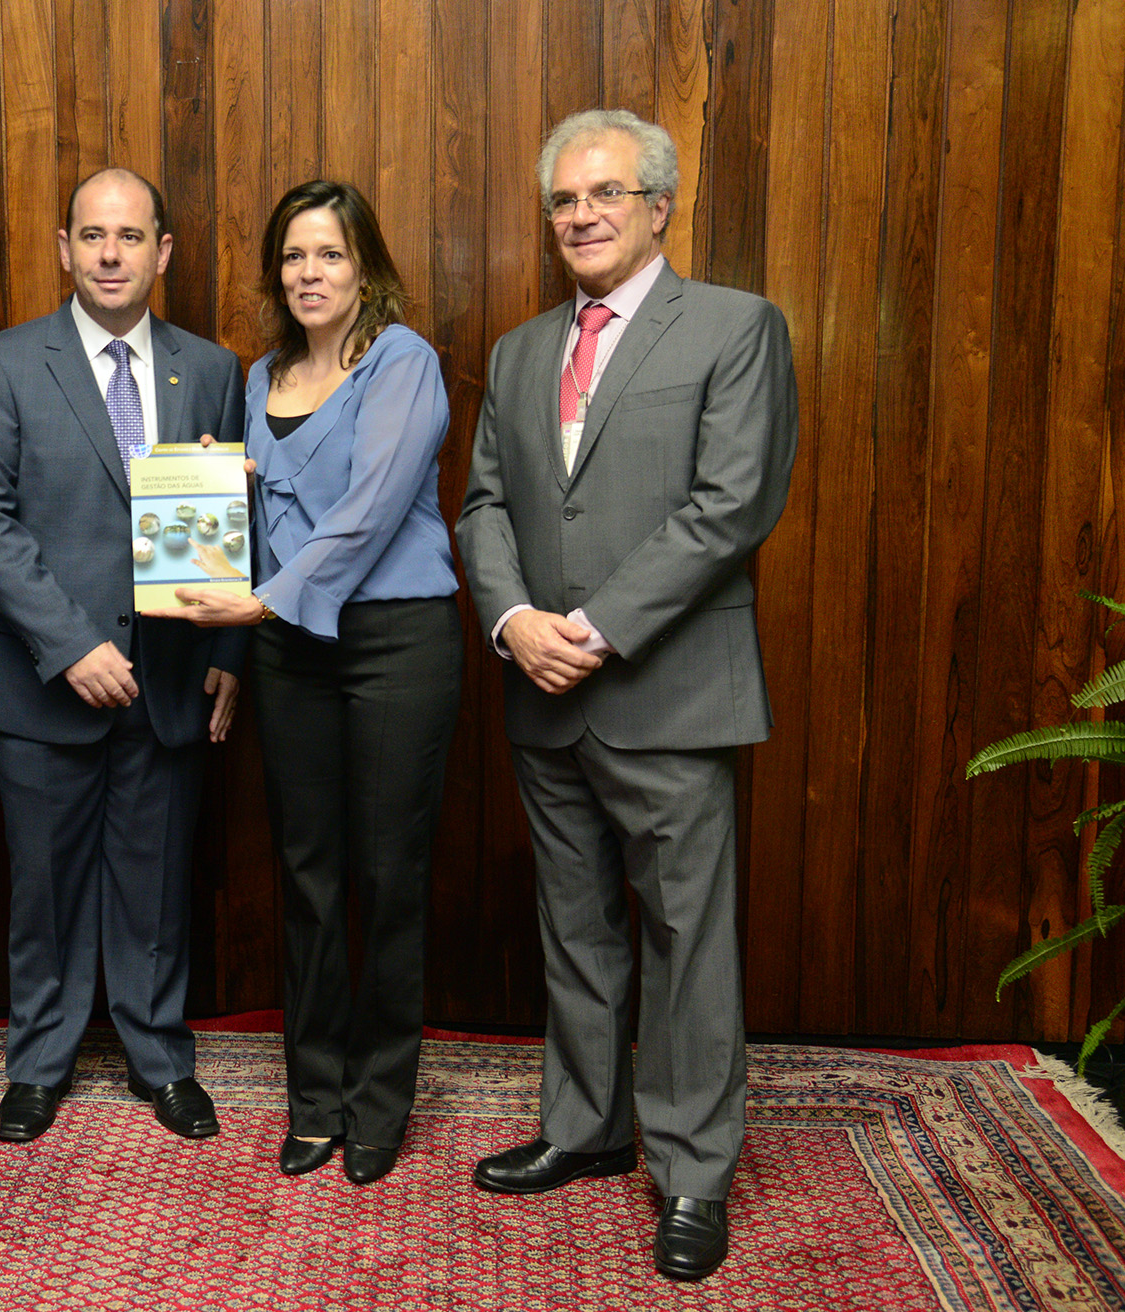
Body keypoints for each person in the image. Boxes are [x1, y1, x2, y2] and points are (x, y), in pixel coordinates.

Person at [456, 108, 797, 1281]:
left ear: (659, 206)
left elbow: (730, 503)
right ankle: (584, 1126)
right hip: (540, 690)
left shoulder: (735, 327)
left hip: (667, 689)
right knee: (576, 924)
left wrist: (588, 632)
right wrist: (511, 623)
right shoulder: (515, 351)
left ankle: (693, 1170)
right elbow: (484, 505)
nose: (580, 216)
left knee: (685, 938)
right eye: (562, 200)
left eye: (603, 194)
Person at [143, 179, 464, 1186]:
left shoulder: (401, 361)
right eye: (292, 256)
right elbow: (257, 524)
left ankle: (378, 1102)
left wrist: (258, 607)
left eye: (328, 254)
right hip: (287, 653)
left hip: (393, 645)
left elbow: (365, 514)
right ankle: (315, 1095)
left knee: (387, 881)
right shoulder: (258, 375)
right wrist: (209, 496)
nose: (309, 273)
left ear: (364, 265)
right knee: (309, 878)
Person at [0, 169, 245, 1144]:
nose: (110, 253)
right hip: (44, 685)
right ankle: (38, 1063)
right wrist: (68, 643)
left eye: (130, 236)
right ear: (62, 247)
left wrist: (230, 653)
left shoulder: (209, 368)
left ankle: (159, 1056)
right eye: (91, 235)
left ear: (162, 251)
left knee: (155, 883)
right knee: (42, 887)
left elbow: (241, 521)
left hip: (167, 681)